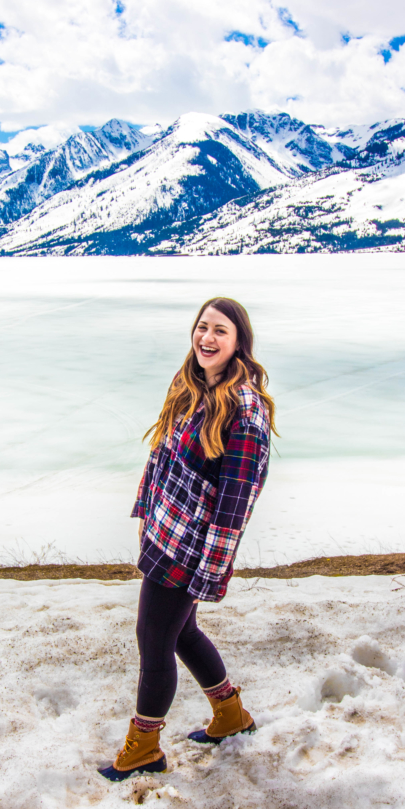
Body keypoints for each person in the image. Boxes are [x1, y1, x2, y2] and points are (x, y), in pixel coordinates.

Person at [98, 296, 276, 782]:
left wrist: (210, 570)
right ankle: (230, 715)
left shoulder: (245, 410)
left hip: (190, 550)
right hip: (164, 532)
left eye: (221, 330)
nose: (207, 338)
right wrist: (145, 512)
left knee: (154, 638)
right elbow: (160, 458)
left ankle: (143, 748)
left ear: (239, 341)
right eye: (202, 327)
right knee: (181, 633)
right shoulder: (192, 388)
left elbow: (235, 502)